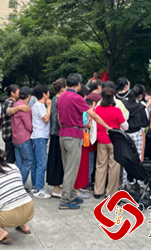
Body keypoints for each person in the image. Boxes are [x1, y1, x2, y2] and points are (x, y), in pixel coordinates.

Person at [57, 73, 111, 210]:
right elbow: (93, 114)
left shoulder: (61, 97)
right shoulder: (77, 98)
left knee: (67, 166)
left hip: (63, 133)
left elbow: (58, 117)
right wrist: (107, 126)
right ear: (79, 84)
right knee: (71, 168)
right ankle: (65, 200)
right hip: (73, 134)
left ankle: (70, 194)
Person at [94, 87, 128, 199]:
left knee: (100, 165)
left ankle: (98, 190)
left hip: (101, 139)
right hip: (114, 140)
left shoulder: (97, 109)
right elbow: (125, 127)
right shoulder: (117, 110)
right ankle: (110, 192)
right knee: (114, 166)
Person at [121, 84, 151, 189]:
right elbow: (145, 123)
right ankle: (138, 181)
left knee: (126, 157)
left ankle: (126, 181)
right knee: (137, 158)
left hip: (124, 133)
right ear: (140, 95)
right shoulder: (141, 106)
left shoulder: (123, 104)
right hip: (137, 133)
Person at [74, 96, 100, 199]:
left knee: (85, 163)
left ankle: (82, 184)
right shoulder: (86, 111)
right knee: (85, 163)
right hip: (84, 140)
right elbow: (84, 123)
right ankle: (81, 185)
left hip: (83, 139)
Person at [30, 84, 51, 199]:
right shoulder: (39, 105)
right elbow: (46, 118)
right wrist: (49, 106)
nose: (49, 94)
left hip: (38, 136)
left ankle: (35, 186)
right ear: (44, 94)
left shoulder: (37, 105)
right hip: (40, 136)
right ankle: (39, 189)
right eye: (48, 93)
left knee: (36, 163)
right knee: (41, 163)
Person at [1, 84, 31, 164]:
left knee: (15, 158)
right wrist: (19, 107)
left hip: (13, 135)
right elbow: (8, 111)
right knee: (10, 158)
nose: (20, 92)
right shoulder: (9, 102)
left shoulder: (15, 102)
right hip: (9, 134)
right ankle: (7, 171)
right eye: (18, 91)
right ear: (12, 93)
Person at [47, 78, 66, 199]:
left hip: (54, 132)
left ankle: (57, 186)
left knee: (56, 160)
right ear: (63, 88)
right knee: (57, 161)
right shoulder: (60, 99)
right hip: (58, 132)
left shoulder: (54, 99)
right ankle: (56, 188)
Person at [11, 87, 33, 188]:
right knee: (28, 161)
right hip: (24, 138)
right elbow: (28, 125)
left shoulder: (15, 105)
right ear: (29, 96)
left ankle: (14, 182)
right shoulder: (25, 108)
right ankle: (20, 183)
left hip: (15, 138)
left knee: (19, 162)